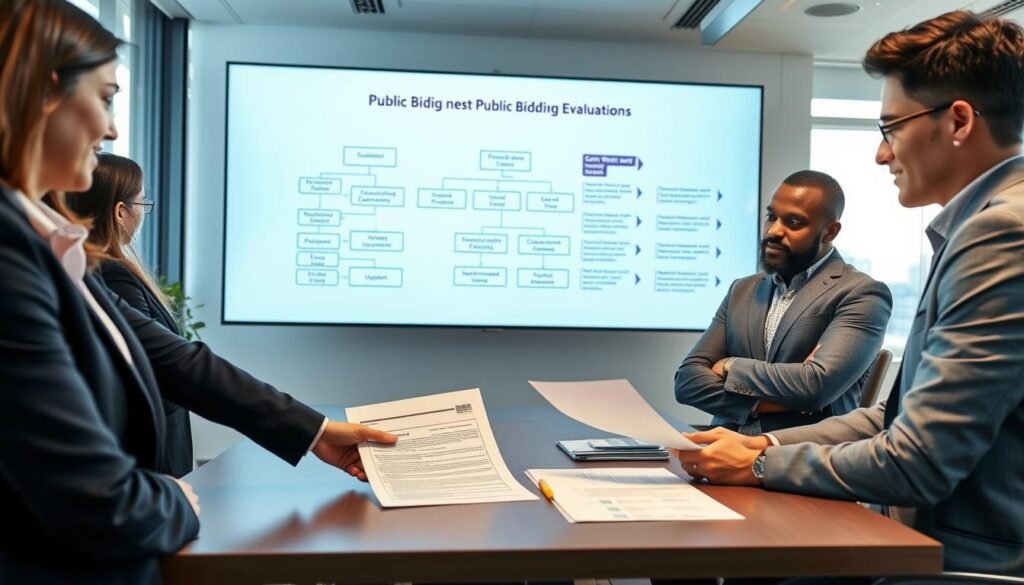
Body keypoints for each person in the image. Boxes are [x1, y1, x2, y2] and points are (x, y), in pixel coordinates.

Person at [0, 1, 394, 583]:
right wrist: (176, 500)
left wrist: (313, 433)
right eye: (106, 97)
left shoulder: (53, 245)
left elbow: (174, 359)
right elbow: (97, 501)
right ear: (46, 94)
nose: (111, 128)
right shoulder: (13, 258)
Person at [676, 10, 1024, 577]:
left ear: (958, 120)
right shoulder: (981, 226)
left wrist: (760, 466)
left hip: (966, 565)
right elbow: (891, 420)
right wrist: (761, 449)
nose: (881, 155)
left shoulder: (1001, 233)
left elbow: (918, 462)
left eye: (890, 129)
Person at [675, 170, 892, 434]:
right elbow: (687, 381)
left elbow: (815, 387)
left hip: (799, 460)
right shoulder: (742, 290)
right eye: (771, 217)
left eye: (794, 222)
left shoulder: (862, 293)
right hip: (719, 451)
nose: (774, 230)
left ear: (830, 232)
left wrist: (730, 365)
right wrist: (762, 403)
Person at [64, 152, 195, 477]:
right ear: (121, 212)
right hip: (153, 453)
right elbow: (150, 363)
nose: (143, 213)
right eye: (142, 204)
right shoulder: (113, 274)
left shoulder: (97, 269)